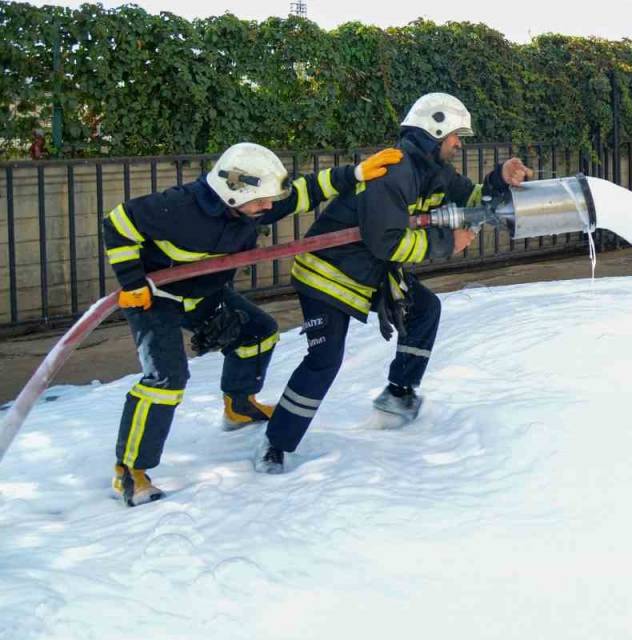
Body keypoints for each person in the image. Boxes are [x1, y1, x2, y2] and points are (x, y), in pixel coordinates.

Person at [103, 142, 402, 506]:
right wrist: (132, 282)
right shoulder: (179, 208)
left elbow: (305, 192)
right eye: (261, 201)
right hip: (155, 298)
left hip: (204, 293)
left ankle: (239, 405)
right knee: (166, 379)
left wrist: (354, 174)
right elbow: (118, 222)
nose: (268, 208)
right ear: (233, 192)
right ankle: (130, 471)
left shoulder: (250, 208)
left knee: (258, 334)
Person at [258, 92, 532, 473]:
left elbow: (473, 198)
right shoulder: (394, 172)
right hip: (329, 276)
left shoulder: (434, 172)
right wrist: (446, 243)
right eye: (455, 135)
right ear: (435, 131)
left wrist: (500, 177)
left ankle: (399, 394)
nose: (458, 144)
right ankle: (276, 444)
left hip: (371, 274)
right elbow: (386, 242)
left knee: (425, 310)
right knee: (324, 360)